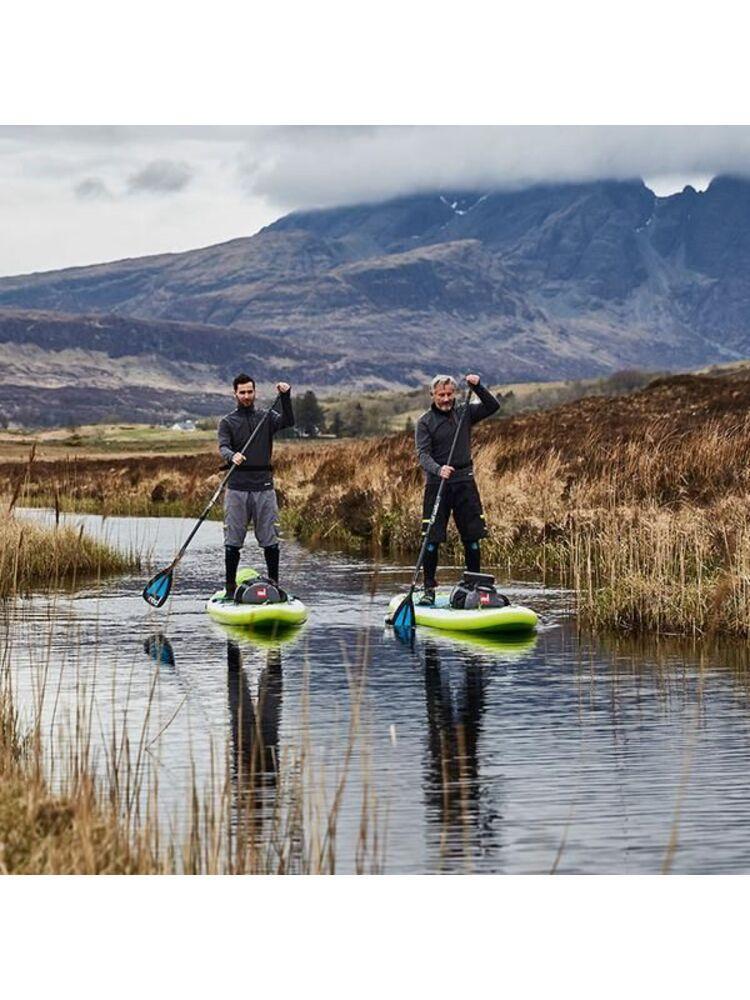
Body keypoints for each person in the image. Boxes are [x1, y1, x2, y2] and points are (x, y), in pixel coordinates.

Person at [414, 373, 500, 604]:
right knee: (431, 540)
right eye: (441, 395)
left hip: (464, 483)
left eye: (450, 394)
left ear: (455, 393)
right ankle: (428, 589)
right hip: (438, 484)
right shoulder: (424, 422)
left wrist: (478, 386)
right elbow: (422, 454)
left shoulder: (465, 413)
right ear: (432, 395)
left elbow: (493, 406)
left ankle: (475, 587)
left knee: (472, 539)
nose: (446, 399)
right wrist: (438, 469)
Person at [218, 374, 294, 597]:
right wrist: (232, 456)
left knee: (270, 540)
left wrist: (286, 396)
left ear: (255, 392)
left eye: (250, 392)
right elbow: (223, 446)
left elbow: (289, 422)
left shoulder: (266, 417)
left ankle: (276, 586)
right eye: (242, 392)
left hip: (264, 487)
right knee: (233, 541)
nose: (246, 396)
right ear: (235, 394)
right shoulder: (227, 422)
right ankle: (230, 590)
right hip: (237, 489)